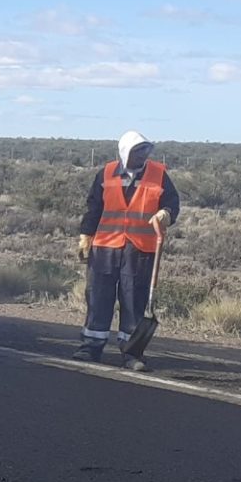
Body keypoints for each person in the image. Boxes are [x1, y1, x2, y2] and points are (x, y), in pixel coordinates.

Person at [73, 130, 179, 371]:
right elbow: (94, 207)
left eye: (145, 151)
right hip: (105, 246)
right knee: (98, 297)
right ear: (124, 153)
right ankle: (90, 347)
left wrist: (167, 213)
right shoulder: (106, 173)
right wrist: (85, 236)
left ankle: (132, 353)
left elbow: (172, 203)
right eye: (137, 152)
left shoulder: (159, 174)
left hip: (139, 250)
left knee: (133, 299)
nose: (142, 156)